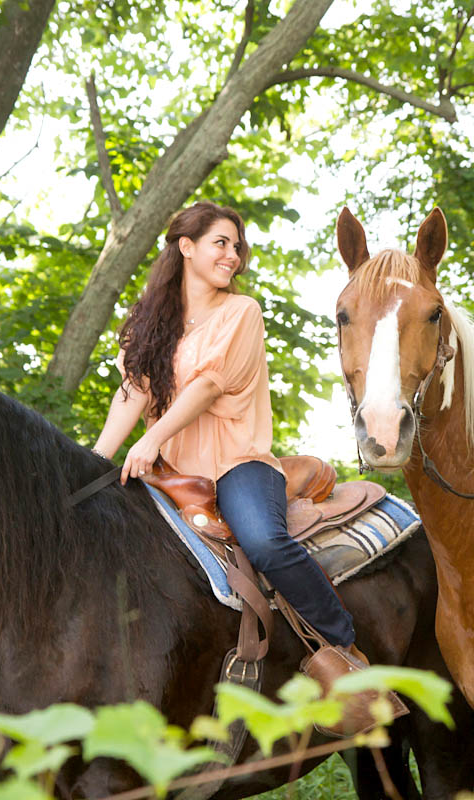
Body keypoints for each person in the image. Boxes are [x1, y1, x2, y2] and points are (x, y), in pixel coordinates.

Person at [93, 200, 359, 654]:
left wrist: (150, 439)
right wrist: (93, 463)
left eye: (236, 247)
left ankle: (345, 648)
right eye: (221, 243)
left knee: (265, 543)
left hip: (236, 465)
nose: (233, 256)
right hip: (171, 472)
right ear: (186, 247)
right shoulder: (147, 324)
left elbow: (208, 386)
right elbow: (132, 393)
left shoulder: (241, 311)